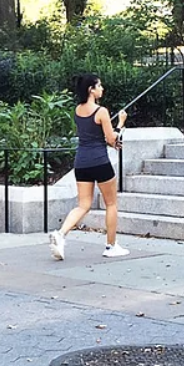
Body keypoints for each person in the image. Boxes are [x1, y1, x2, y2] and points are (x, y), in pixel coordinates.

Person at [49, 74, 129, 260]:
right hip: (100, 161)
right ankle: (111, 246)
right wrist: (121, 124)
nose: (102, 89)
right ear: (91, 90)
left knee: (83, 205)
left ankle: (61, 234)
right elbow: (111, 139)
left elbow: (92, 135)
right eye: (99, 86)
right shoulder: (101, 111)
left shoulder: (77, 110)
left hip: (81, 162)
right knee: (111, 203)